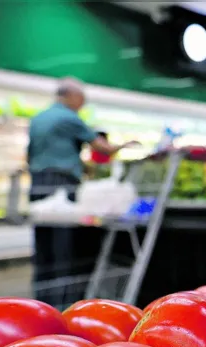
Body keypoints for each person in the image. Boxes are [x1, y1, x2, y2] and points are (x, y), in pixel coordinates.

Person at [27, 77, 134, 303]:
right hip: (62, 185)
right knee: (64, 247)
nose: (82, 105)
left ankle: (42, 299)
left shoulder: (38, 119)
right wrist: (125, 146)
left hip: (38, 184)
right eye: (82, 100)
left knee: (43, 246)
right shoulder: (70, 118)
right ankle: (63, 302)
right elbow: (103, 149)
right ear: (72, 96)